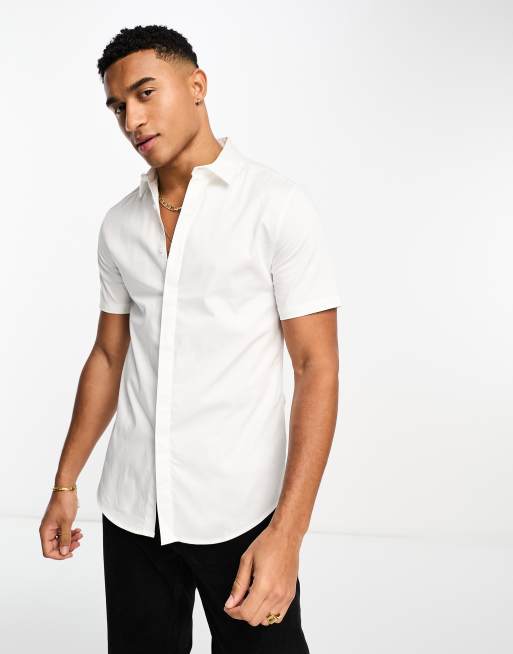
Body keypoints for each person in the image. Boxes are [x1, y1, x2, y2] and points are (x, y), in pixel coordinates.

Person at [39, 24, 342, 653]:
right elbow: (108, 356)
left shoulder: (276, 207)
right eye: (117, 107)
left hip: (240, 515)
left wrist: (288, 535)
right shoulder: (119, 225)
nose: (132, 120)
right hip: (132, 512)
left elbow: (317, 366)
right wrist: (65, 483)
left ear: (197, 85)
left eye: (146, 93)